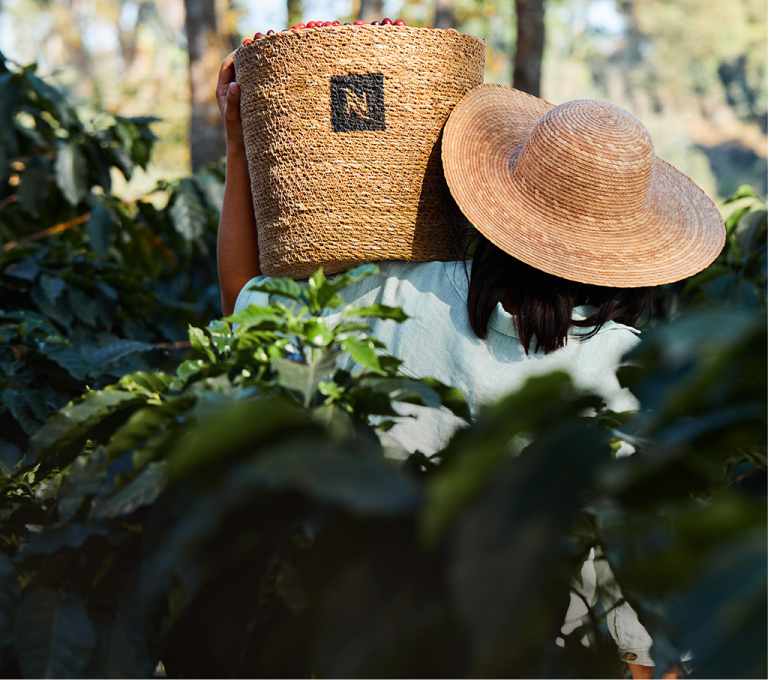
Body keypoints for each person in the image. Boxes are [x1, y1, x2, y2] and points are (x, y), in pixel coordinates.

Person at [215, 52, 724, 679]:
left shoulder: (391, 295)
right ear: (627, 251)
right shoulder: (633, 370)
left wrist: (241, 148)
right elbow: (640, 593)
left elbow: (244, 307)